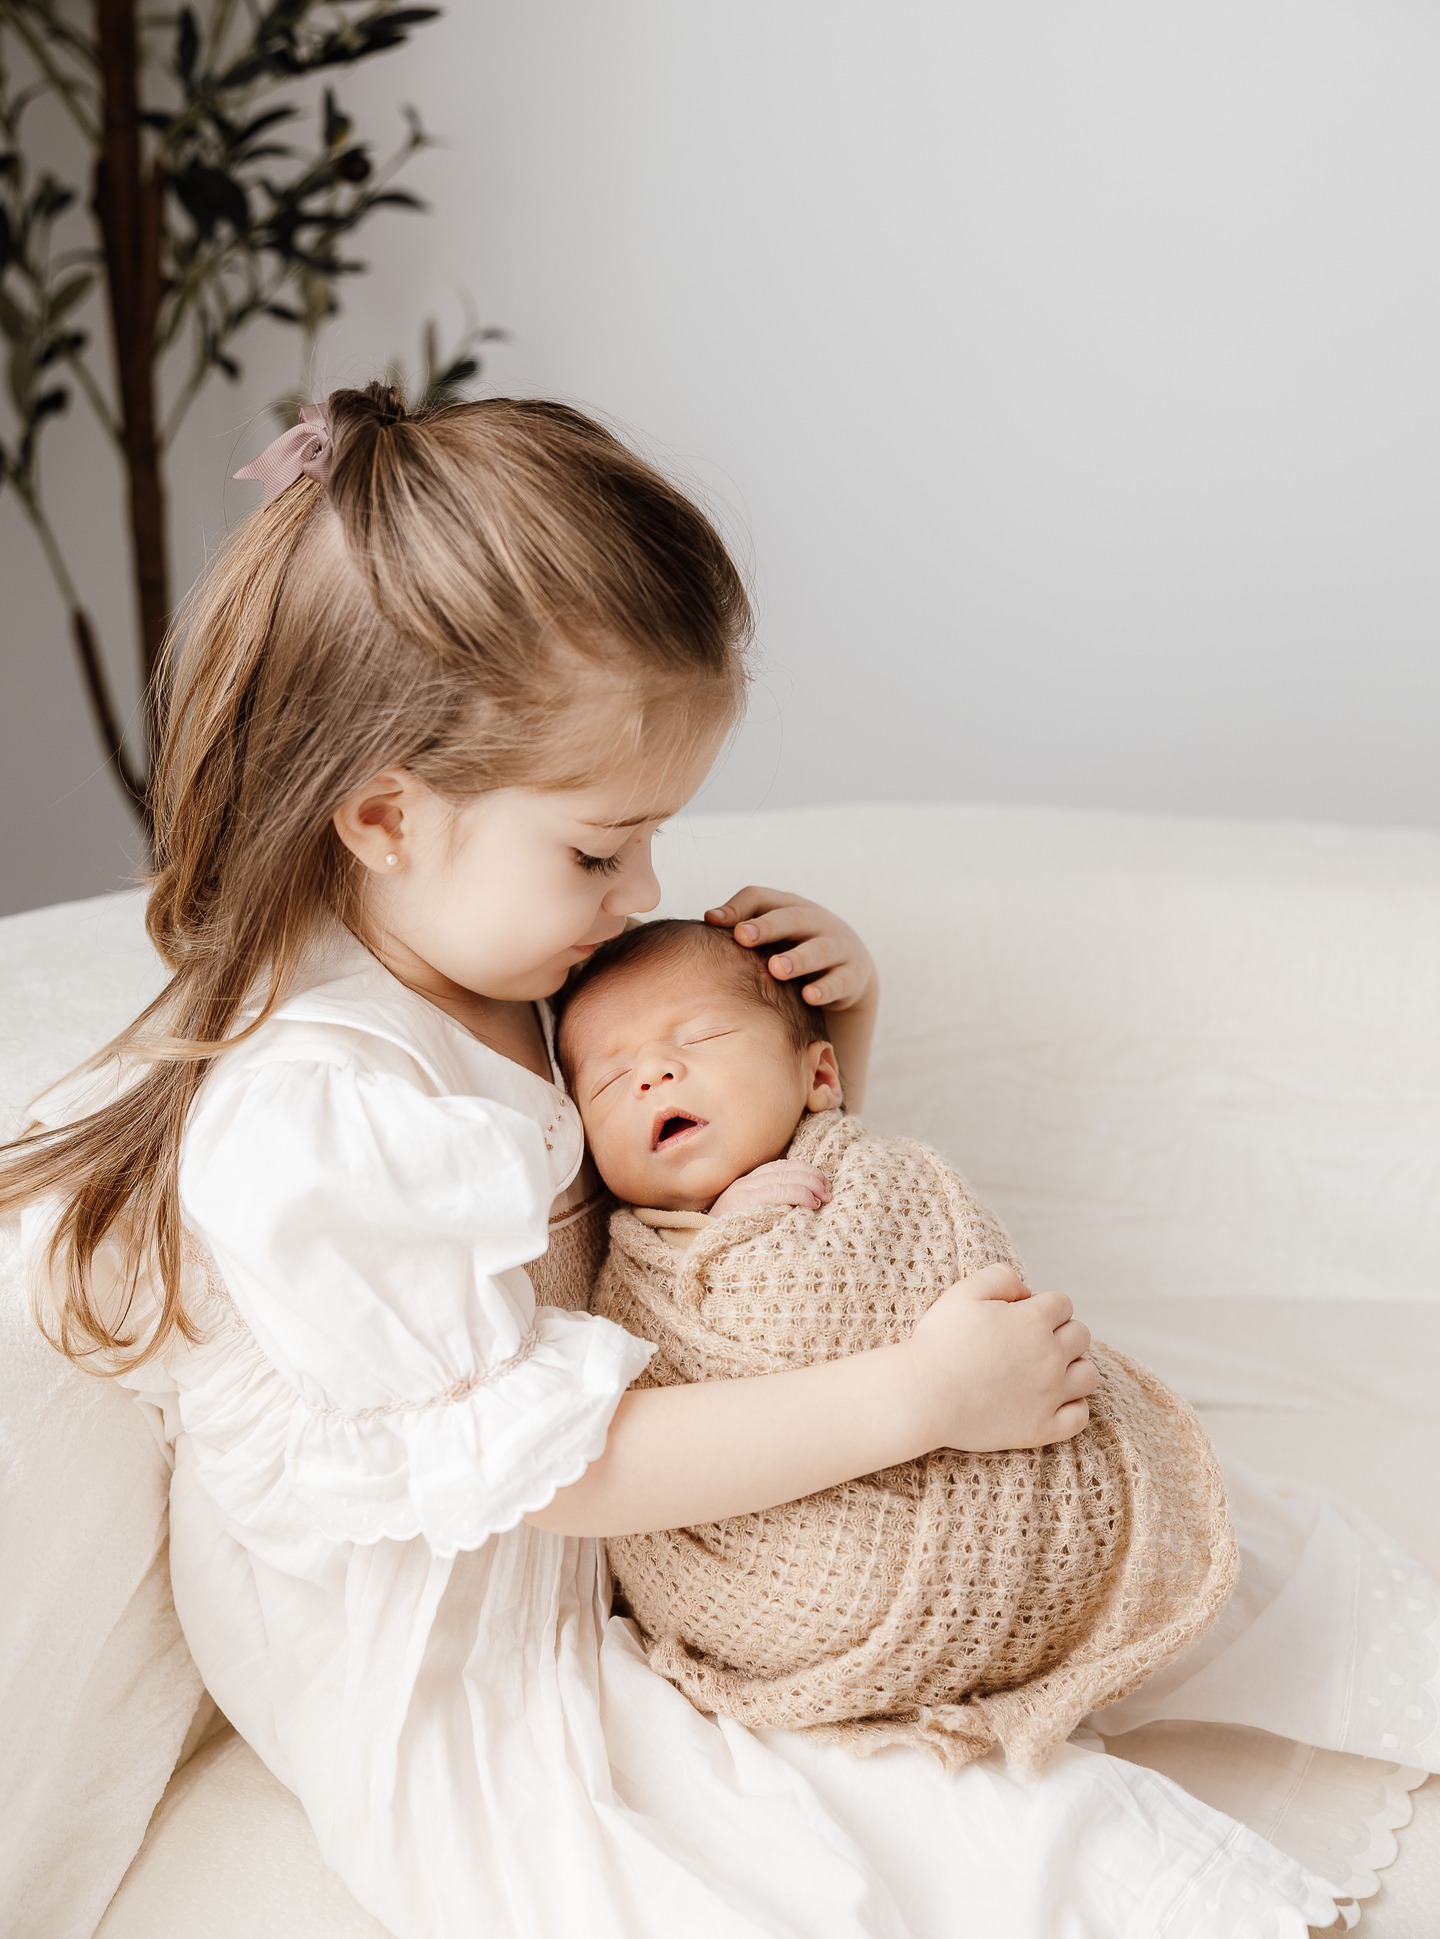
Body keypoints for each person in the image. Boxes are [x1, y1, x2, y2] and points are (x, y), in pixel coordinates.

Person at [0, 383, 1418, 1938]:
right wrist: (914, 1398)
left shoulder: (511, 964)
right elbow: (568, 1474)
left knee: (1188, 1535)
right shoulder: (327, 1127)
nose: (644, 890)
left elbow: (716, 1229)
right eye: (602, 848)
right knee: (893, 1838)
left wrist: (830, 1041)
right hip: (468, 1641)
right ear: (387, 815)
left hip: (644, 1509)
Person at [556, 916, 1238, 1776]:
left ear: (819, 1077)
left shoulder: (869, 1175)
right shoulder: (633, 1267)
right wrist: (733, 1235)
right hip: (784, 1582)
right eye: (612, 1081)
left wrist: (767, 1233)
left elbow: (899, 1282)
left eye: (700, 1037)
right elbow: (669, 1408)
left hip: (972, 1486)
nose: (654, 1072)